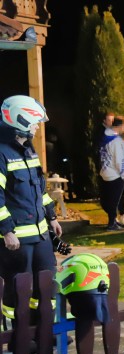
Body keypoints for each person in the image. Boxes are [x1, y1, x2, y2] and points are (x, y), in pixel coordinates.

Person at [0, 95, 61, 334]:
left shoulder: (28, 150)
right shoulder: (2, 153)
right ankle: (18, 335)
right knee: (18, 289)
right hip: (17, 240)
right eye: (35, 122)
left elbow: (39, 189)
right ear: (20, 119)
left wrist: (52, 217)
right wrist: (6, 231)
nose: (37, 127)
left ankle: (43, 332)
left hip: (41, 235)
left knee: (45, 285)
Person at [98, 115, 124, 230]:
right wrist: (123, 173)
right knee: (114, 201)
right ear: (121, 126)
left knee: (109, 199)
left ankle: (112, 221)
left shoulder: (105, 137)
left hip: (105, 171)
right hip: (115, 174)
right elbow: (120, 159)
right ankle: (112, 223)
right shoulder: (117, 140)